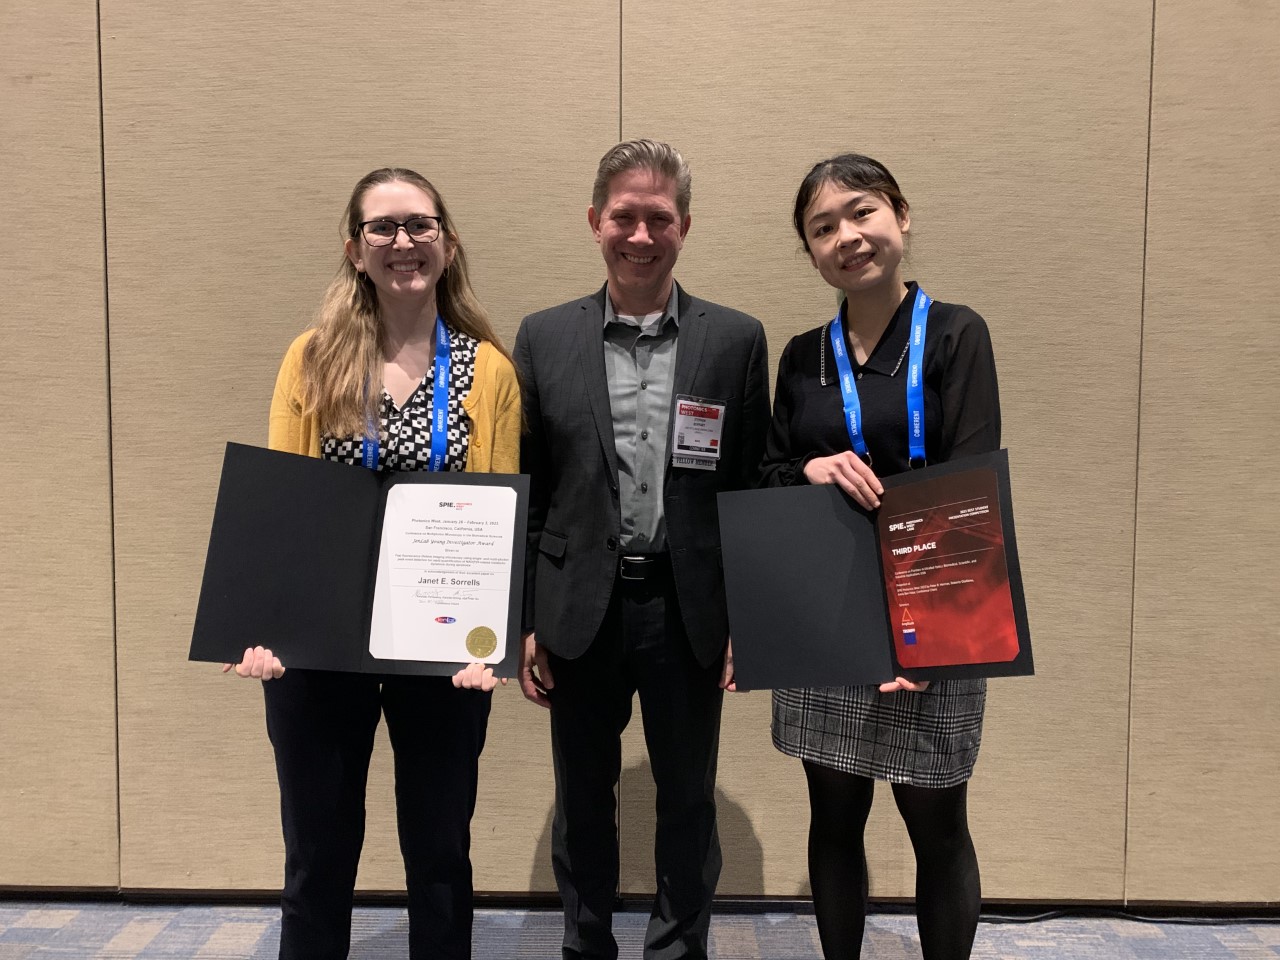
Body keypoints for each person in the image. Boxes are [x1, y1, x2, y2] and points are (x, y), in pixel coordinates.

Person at [225, 167, 521, 960]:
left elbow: (497, 515)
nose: (403, 243)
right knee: (317, 859)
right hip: (321, 647)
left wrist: (485, 644)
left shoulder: (488, 369)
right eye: (383, 228)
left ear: (448, 245)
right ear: (355, 249)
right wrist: (265, 629)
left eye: (419, 225)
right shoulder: (313, 358)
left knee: (438, 859)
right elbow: (284, 503)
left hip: (441, 649)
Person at [514, 139, 770, 960]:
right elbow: (531, 487)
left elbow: (749, 486)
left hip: (688, 607)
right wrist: (524, 617)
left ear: (684, 227)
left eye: (659, 217)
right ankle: (585, 945)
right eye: (624, 215)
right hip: (578, 606)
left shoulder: (735, 339)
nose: (640, 233)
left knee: (687, 799)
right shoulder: (545, 336)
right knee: (581, 799)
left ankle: (676, 950)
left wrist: (749, 620)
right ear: (595, 222)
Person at [760, 153, 1001, 960]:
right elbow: (764, 474)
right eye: (822, 227)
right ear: (810, 250)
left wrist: (925, 634)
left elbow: (968, 479)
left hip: (937, 610)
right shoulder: (801, 356)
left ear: (901, 215)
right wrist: (808, 465)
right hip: (827, 619)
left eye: (860, 213)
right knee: (833, 817)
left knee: (937, 822)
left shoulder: (958, 334)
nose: (846, 237)